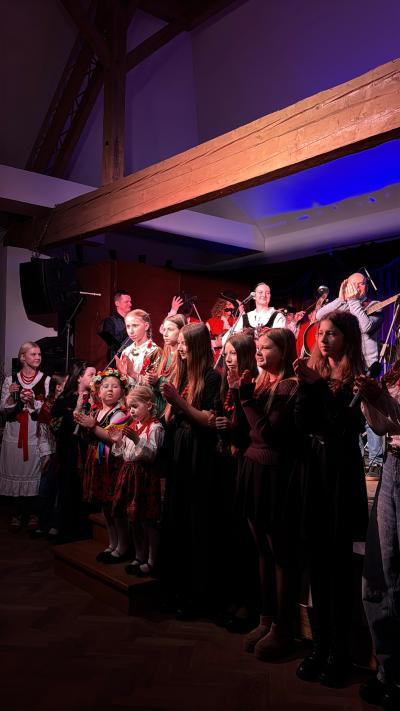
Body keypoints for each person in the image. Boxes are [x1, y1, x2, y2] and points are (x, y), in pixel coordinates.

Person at [293, 311, 368, 687]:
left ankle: (340, 653)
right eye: (320, 333)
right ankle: (320, 646)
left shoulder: (358, 379)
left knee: (339, 570)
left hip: (340, 475)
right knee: (317, 567)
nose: (323, 339)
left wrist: (318, 388)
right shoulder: (315, 374)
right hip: (315, 472)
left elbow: (343, 426)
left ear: (347, 338)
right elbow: (303, 424)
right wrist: (307, 388)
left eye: (332, 334)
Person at [232, 328, 300, 660]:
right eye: (257, 347)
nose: (258, 352)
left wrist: (246, 398)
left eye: (266, 347)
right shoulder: (262, 383)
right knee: (262, 548)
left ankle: (283, 628)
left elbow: (268, 434)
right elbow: (242, 430)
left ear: (284, 351)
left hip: (274, 472)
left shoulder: (289, 386)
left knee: (280, 551)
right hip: (253, 467)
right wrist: (237, 393)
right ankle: (266, 618)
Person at [159, 322, 221, 619]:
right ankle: (175, 589)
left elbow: (208, 419)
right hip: (179, 452)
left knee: (195, 522)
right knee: (176, 518)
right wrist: (170, 405)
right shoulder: (182, 374)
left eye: (184, 343)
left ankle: (197, 595)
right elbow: (171, 417)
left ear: (196, 345)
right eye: (179, 343)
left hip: (198, 454)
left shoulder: (211, 377)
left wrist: (178, 402)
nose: (179, 348)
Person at [354, 361, 400, 710]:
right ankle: (388, 669)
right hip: (393, 463)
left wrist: (381, 399)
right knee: (378, 574)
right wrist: (371, 400)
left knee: (396, 576)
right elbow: (384, 426)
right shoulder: (397, 368)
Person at [316, 272, 384, 478]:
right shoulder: (343, 306)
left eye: (361, 284)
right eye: (352, 285)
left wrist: (353, 302)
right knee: (348, 412)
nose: (357, 288)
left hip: (367, 368)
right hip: (345, 369)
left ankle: (375, 461)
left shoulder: (374, 305)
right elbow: (319, 317)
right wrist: (340, 299)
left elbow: (365, 326)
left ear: (366, 287)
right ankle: (356, 455)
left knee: (369, 414)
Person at [214, 332, 259, 632]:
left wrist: (231, 428)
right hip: (228, 462)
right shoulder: (226, 383)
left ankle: (250, 605)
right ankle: (234, 596)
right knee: (231, 533)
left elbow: (249, 429)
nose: (228, 358)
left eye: (233, 353)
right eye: (226, 353)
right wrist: (220, 426)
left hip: (246, 461)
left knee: (246, 537)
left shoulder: (251, 383)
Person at [75, 368, 131, 562]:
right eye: (105, 386)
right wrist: (83, 423)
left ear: (122, 392)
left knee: (115, 506)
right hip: (96, 461)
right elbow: (87, 435)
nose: (110, 390)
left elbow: (111, 437)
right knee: (105, 506)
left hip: (112, 464)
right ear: (97, 392)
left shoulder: (121, 413)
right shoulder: (96, 411)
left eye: (115, 386)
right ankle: (112, 543)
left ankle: (123, 546)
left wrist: (92, 426)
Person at [110, 386, 164, 577]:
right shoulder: (132, 426)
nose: (131, 411)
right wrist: (118, 441)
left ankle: (152, 560)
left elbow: (151, 455)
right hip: (129, 474)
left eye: (135, 406)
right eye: (129, 407)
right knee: (133, 519)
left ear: (149, 405)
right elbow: (124, 454)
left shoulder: (155, 427)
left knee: (148, 519)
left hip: (145, 476)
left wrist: (138, 440)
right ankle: (139, 556)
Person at [0, 342, 50, 530]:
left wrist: (33, 402)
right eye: (33, 354)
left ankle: (33, 512)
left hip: (33, 432)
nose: (37, 357)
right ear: (23, 357)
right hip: (14, 431)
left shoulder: (45, 380)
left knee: (33, 470)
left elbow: (47, 410)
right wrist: (11, 396)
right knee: (15, 468)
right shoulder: (10, 380)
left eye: (39, 354)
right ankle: (17, 512)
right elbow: (3, 409)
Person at [50, 362, 96, 541]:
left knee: (84, 492)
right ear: (79, 378)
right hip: (69, 452)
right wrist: (76, 407)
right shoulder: (68, 397)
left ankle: (84, 532)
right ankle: (66, 532)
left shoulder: (95, 397)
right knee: (68, 490)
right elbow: (56, 415)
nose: (95, 377)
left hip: (87, 451)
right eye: (91, 374)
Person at [31, 372, 69, 538]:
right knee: (45, 489)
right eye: (67, 384)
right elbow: (43, 434)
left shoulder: (68, 403)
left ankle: (56, 525)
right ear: (59, 387)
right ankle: (43, 523)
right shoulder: (47, 407)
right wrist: (46, 455)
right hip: (51, 453)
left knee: (61, 491)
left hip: (65, 453)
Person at [143, 314, 186, 418]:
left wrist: (157, 381)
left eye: (170, 329)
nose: (165, 334)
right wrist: (149, 379)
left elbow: (179, 387)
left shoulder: (183, 357)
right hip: (158, 408)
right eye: (164, 329)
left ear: (181, 331)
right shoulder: (164, 354)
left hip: (172, 411)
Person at [116, 309, 161, 386]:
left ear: (146, 326)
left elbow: (154, 385)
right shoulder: (126, 351)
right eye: (128, 326)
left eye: (135, 325)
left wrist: (133, 374)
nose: (131, 331)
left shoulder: (154, 351)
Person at [99, 290, 132, 360]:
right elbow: (112, 344)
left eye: (130, 302)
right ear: (117, 303)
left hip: (134, 360)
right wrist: (128, 328)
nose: (130, 304)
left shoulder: (133, 320)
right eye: (126, 302)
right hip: (118, 361)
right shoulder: (109, 321)